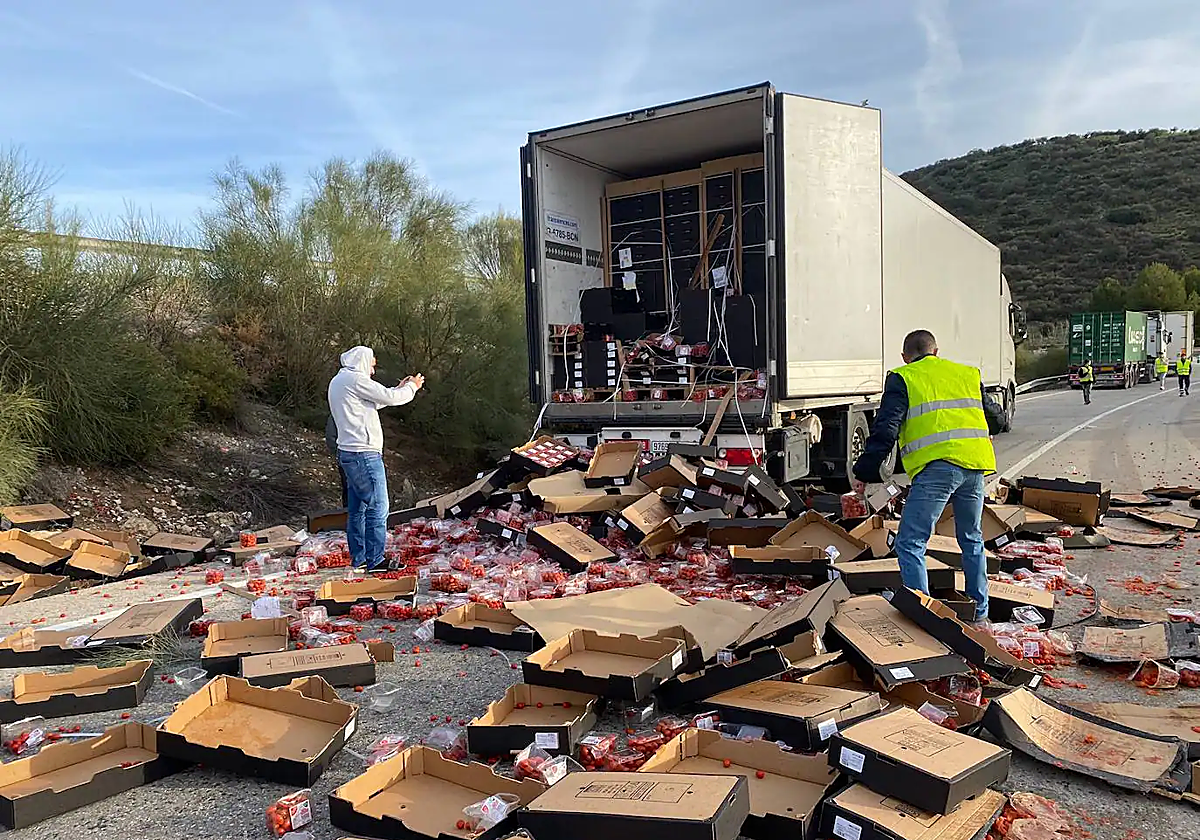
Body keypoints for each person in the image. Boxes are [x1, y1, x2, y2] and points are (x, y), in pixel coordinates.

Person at [852, 329, 1004, 623]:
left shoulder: (903, 377)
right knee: (972, 538)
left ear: (905, 357)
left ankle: (923, 617)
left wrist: (865, 472)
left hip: (937, 469)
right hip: (974, 467)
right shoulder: (967, 373)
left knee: (911, 541)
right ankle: (979, 613)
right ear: (936, 351)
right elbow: (996, 418)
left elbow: (886, 429)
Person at [328, 347, 425, 572]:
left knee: (358, 508)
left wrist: (399, 388)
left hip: (349, 454)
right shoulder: (355, 380)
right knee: (378, 507)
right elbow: (392, 399)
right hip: (364, 454)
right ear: (362, 362)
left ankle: (360, 557)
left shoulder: (340, 381)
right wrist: (412, 386)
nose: (373, 370)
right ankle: (376, 560)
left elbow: (375, 400)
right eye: (372, 364)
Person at [325, 415, 348, 508]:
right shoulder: (337, 412)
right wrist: (338, 453)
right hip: (345, 456)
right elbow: (330, 436)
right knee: (348, 489)